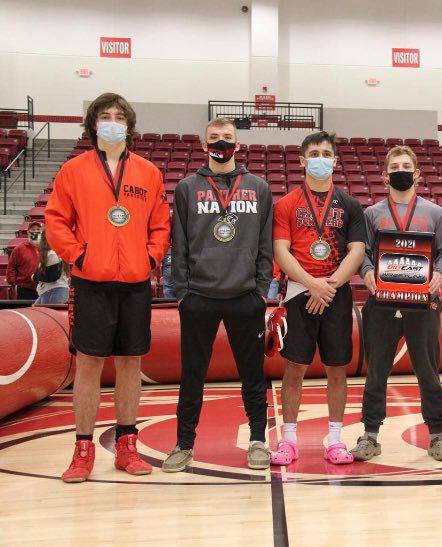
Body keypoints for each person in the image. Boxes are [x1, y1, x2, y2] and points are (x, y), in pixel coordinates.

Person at [45, 92, 171, 483]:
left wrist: (150, 259)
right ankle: (82, 450)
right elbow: (56, 221)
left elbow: (160, 225)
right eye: (105, 115)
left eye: (119, 116)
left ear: (129, 125)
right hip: (90, 283)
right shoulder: (73, 170)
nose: (112, 121)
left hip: (135, 283)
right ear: (93, 124)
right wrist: (79, 257)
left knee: (131, 364)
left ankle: (127, 446)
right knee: (89, 364)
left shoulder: (148, 172)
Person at [162, 117, 274, 472]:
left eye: (227, 137)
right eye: (214, 137)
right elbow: (178, 244)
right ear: (204, 144)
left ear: (237, 144)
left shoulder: (258, 187)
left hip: (245, 295)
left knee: (253, 373)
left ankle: (258, 440)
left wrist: (261, 290)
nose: (221, 142)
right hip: (199, 296)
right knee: (192, 375)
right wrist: (183, 293)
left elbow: (266, 244)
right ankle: (183, 444)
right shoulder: (187, 188)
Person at [351, 145, 442, 461]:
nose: (400, 171)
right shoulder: (372, 214)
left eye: (406, 166)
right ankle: (370, 436)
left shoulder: (434, 213)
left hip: (422, 303)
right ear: (384, 176)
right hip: (381, 304)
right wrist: (367, 271)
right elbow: (363, 253)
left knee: (428, 370)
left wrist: (440, 275)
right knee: (376, 370)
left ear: (417, 174)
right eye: (394, 167)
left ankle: (436, 435)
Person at [271, 131, 366, 466]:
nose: (320, 159)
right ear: (302, 160)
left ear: (335, 161)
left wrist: (328, 287)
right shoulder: (286, 204)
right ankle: (289, 440)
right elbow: (281, 251)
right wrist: (312, 284)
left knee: (337, 369)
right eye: (314, 154)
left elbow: (357, 251)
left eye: (326, 153)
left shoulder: (350, 205)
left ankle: (336, 440)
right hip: (299, 292)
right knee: (294, 368)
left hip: (335, 294)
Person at [32, 227, 70, 304]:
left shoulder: (52, 254)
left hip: (55, 291)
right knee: (35, 308)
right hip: (51, 291)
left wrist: (35, 277)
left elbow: (51, 276)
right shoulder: (55, 252)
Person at [7, 222, 42, 300]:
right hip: (24, 289)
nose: (36, 232)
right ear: (28, 232)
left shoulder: (47, 249)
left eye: (38, 230)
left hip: (44, 289)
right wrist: (14, 283)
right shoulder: (19, 249)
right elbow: (11, 267)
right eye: (33, 230)